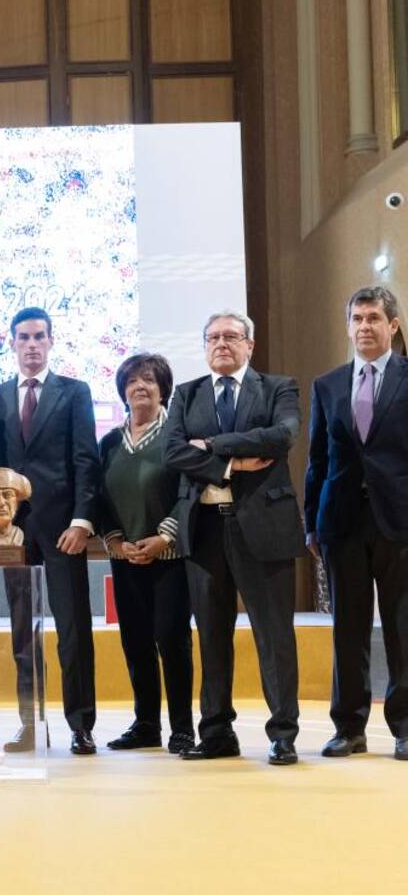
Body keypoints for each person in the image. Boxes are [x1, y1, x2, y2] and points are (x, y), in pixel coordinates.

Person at [165, 310, 304, 765]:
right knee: (211, 635)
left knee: (274, 635)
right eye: (212, 337)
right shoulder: (186, 394)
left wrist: (213, 445)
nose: (221, 343)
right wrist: (231, 466)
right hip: (204, 531)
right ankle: (217, 732)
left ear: (250, 345)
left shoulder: (279, 387)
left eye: (231, 336)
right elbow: (172, 451)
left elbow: (281, 436)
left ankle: (283, 733)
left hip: (263, 529)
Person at [0, 307, 100, 755]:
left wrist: (82, 520)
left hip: (63, 531)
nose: (31, 344)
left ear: (51, 341)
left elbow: (86, 460)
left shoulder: (73, 392)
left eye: (39, 337)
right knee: (21, 632)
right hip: (12, 535)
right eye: (23, 337)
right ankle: (30, 724)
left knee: (73, 631)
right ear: (11, 342)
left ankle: (80, 725)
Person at [304, 286, 408, 761]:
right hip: (341, 522)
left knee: (403, 626)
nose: (364, 327)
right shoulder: (327, 385)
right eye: (357, 319)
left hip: (399, 522)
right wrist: (311, 524)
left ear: (393, 326)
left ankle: (405, 727)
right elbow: (317, 460)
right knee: (348, 627)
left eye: (373, 318)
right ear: (347, 326)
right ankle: (348, 728)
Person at [97, 353, 194, 755]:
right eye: (133, 380)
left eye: (149, 380)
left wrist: (163, 538)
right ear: (122, 390)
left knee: (172, 642)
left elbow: (190, 494)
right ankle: (146, 724)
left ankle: (183, 729)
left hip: (169, 559)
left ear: (162, 389)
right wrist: (116, 541)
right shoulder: (108, 443)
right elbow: (99, 498)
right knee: (135, 643)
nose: (140, 387)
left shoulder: (177, 435)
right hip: (125, 558)